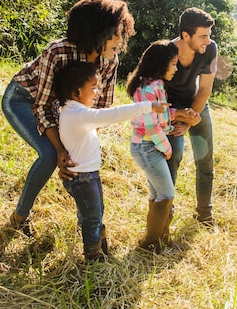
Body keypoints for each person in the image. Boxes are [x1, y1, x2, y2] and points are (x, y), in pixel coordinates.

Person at [1, 0, 135, 237]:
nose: (120, 40)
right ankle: (19, 218)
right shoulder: (58, 51)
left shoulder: (110, 61)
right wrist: (63, 150)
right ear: (95, 31)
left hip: (62, 110)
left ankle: (86, 224)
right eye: (113, 33)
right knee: (50, 155)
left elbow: (97, 110)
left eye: (121, 32)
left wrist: (81, 148)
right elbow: (42, 107)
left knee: (79, 162)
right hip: (24, 99)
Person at [53, 61, 165, 261]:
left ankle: (100, 247)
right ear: (78, 92)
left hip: (88, 174)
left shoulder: (72, 112)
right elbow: (113, 114)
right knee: (92, 216)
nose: (97, 92)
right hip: (82, 178)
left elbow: (81, 141)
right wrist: (147, 106)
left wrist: (95, 153)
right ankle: (93, 255)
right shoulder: (78, 113)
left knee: (94, 212)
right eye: (93, 88)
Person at [126, 40, 200, 253]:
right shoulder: (147, 88)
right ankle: (150, 245)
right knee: (166, 194)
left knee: (158, 194)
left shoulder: (156, 85)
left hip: (152, 147)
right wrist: (167, 148)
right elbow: (150, 125)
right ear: (161, 64)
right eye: (174, 64)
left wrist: (182, 113)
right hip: (147, 148)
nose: (176, 69)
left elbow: (162, 114)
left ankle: (161, 239)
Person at [164, 7, 217, 226]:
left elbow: (205, 89)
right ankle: (166, 213)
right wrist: (179, 118)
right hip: (170, 108)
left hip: (197, 105)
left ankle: (205, 214)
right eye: (202, 36)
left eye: (209, 35)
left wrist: (191, 119)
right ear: (186, 36)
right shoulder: (165, 52)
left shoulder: (210, 49)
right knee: (173, 156)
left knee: (205, 160)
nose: (208, 40)